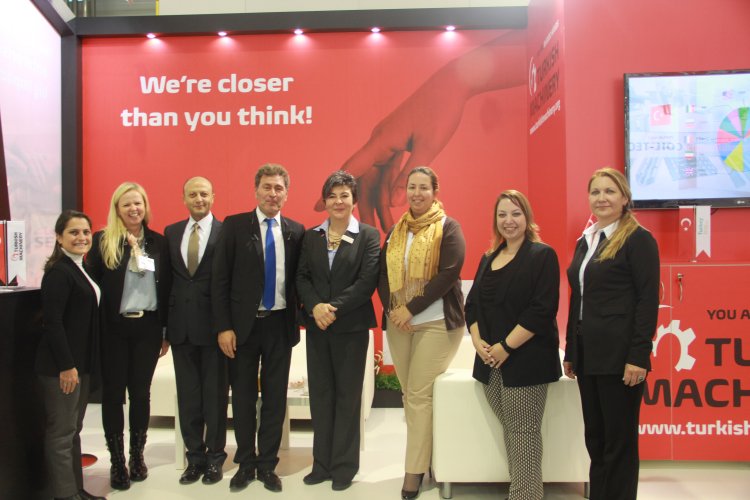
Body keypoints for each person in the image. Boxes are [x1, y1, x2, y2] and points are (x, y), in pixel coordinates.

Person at [563, 167, 660, 500]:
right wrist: (571, 350)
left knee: (619, 443)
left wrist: (638, 356)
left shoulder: (638, 239)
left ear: (624, 197)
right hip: (588, 354)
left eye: (609, 191)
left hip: (620, 358)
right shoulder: (586, 240)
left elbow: (647, 301)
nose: (601, 198)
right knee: (596, 439)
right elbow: (577, 298)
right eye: (595, 192)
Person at [212, 163, 305, 493]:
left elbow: (299, 280)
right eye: (267, 187)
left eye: (279, 188)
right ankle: (245, 463)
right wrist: (224, 326)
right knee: (243, 397)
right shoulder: (235, 226)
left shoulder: (296, 231)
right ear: (256, 190)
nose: (272, 193)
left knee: (275, 399)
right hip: (242, 328)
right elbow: (220, 279)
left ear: (286, 194)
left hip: (280, 325)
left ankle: (267, 464)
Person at [465, 190, 561, 500]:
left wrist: (505, 346)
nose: (509, 220)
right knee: (514, 430)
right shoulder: (488, 258)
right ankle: (524, 490)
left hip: (525, 360)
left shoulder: (542, 256)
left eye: (516, 213)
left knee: (523, 432)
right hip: (490, 361)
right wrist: (478, 342)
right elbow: (472, 305)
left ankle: (525, 495)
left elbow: (542, 309)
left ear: (527, 217)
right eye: (502, 214)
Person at [377, 166, 466, 500]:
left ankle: (413, 471)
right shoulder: (396, 230)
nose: (416, 193)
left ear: (434, 191)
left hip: (436, 323)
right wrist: (393, 310)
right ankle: (428, 458)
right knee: (411, 396)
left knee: (416, 396)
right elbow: (382, 274)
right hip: (399, 323)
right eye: (411, 187)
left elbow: (448, 274)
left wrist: (410, 308)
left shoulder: (448, 227)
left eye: (423, 187)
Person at [296, 171, 380, 491]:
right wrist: (315, 307)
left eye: (344, 195)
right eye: (332, 196)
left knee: (347, 397)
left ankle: (344, 466)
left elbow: (366, 282)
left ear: (354, 200)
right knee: (321, 396)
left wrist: (332, 308)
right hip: (318, 327)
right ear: (325, 201)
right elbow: (302, 277)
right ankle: (321, 464)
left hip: (351, 328)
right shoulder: (312, 236)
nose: (338, 201)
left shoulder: (368, 235)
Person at [86, 182, 171, 491]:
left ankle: (137, 456)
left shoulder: (159, 242)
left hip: (148, 329)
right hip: (114, 329)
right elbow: (91, 286)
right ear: (117, 209)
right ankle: (117, 461)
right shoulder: (102, 241)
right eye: (127, 204)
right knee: (112, 395)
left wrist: (166, 332)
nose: (134, 209)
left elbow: (167, 288)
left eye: (138, 203)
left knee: (140, 393)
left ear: (145, 206)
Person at [36, 210, 105, 500]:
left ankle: (76, 490)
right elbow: (52, 322)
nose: (81, 237)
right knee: (62, 434)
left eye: (86, 232)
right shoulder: (58, 273)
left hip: (80, 366)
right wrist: (66, 365)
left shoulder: (80, 267)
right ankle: (65, 495)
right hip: (61, 369)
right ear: (59, 237)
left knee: (73, 431)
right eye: (73, 232)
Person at [164, 177, 228, 485]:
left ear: (213, 197)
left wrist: (227, 326)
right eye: (193, 194)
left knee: (215, 399)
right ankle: (195, 458)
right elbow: (167, 282)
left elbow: (229, 282)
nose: (198, 199)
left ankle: (215, 458)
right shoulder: (172, 232)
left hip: (215, 330)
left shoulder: (225, 232)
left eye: (204, 193)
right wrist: (164, 328)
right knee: (188, 399)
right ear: (184, 198)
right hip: (181, 329)